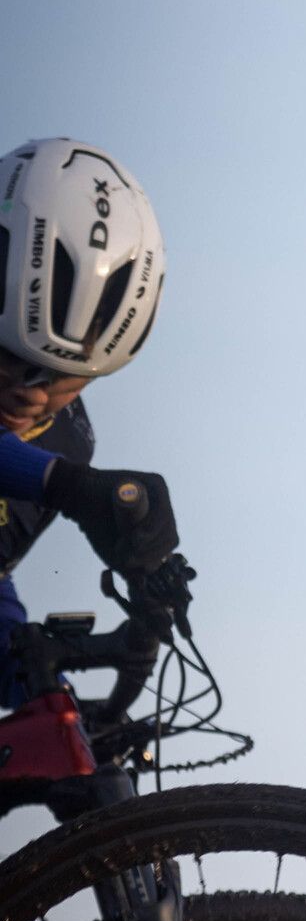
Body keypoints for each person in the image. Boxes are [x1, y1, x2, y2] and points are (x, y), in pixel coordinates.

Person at [0, 140, 180, 712]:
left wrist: (53, 696)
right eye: (11, 360)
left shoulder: (69, 440)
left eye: (60, 378)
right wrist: (64, 484)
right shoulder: (58, 462)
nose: (31, 392)